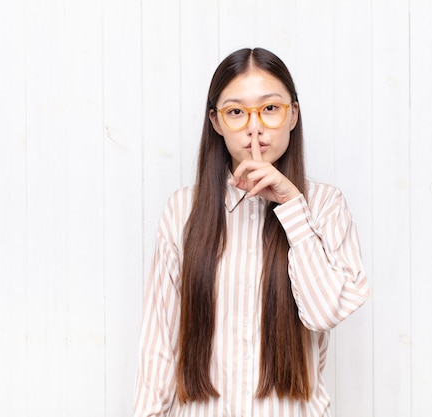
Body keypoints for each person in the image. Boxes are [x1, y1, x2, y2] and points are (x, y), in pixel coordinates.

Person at [134, 47, 369, 417]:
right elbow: (159, 346)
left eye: (270, 109)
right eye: (236, 112)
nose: (254, 126)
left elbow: (324, 313)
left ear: (293, 114)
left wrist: (292, 207)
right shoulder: (183, 210)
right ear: (216, 121)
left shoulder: (325, 206)